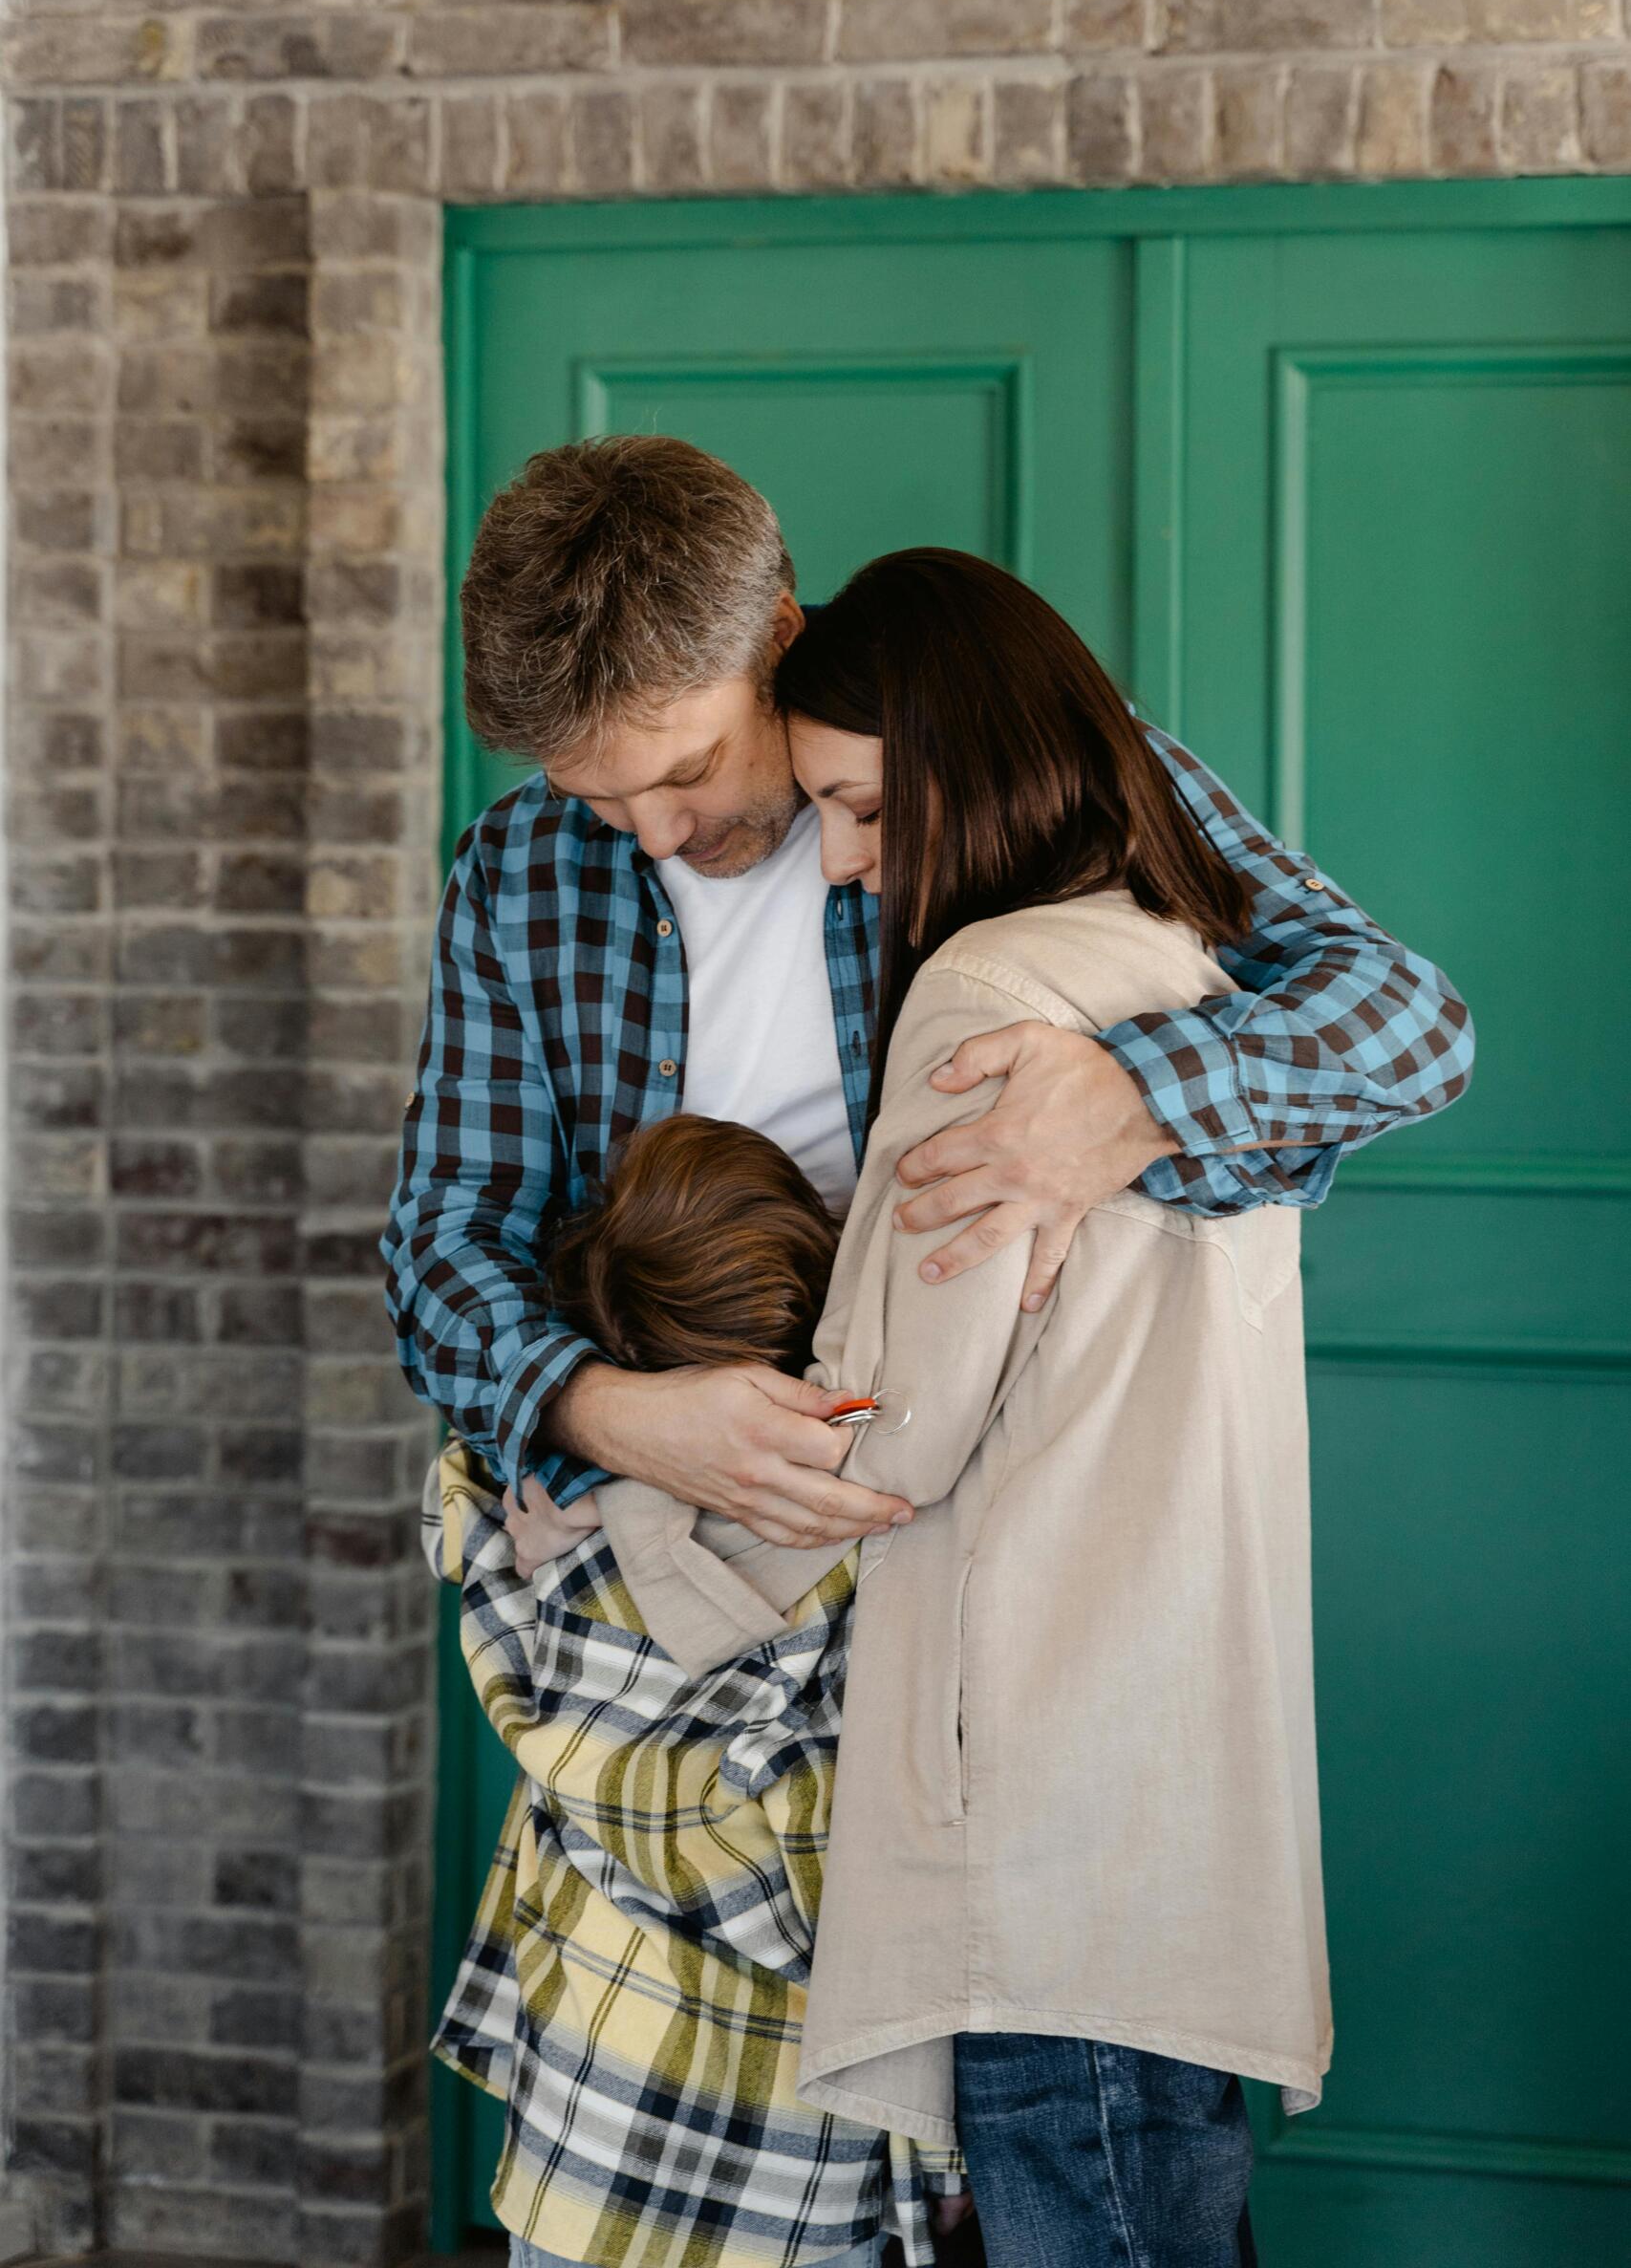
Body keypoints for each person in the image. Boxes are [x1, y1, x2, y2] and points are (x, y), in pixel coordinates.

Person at [586, 551, 1379, 2265]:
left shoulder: (984, 990)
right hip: (1178, 1749)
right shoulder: (1178, 957)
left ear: (966, 763)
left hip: (1045, 1778)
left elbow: (889, 1441)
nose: (849, 864)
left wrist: (620, 1489)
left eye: (861, 810)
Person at [382, 437, 1473, 1562]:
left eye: (686, 772)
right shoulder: (515, 870)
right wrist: (607, 1413)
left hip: (966, 1510)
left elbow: (1407, 1019)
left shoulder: (1011, 762)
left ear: (777, 637)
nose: (655, 835)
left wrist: (1133, 1098)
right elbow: (445, 1239)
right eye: (594, 795)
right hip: (648, 1528)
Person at [422, 1115, 967, 2268]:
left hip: (590, 2098)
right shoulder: (856, 1545)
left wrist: (585, 1436)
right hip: (793, 2152)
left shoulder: (527, 1523)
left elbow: (466, 1495)